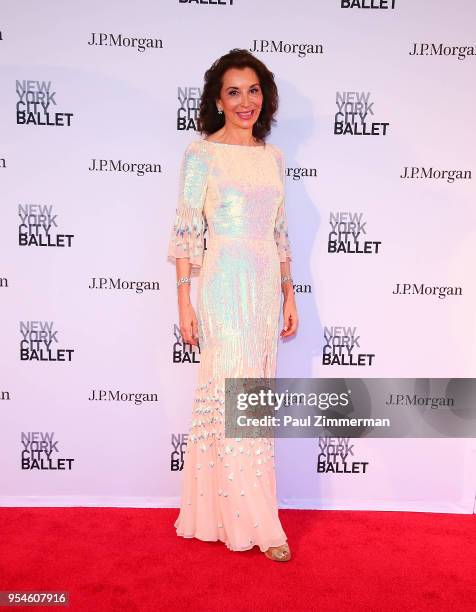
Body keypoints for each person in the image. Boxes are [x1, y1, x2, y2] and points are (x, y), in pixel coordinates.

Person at [167, 49, 298, 562]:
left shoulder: (273, 157)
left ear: (264, 96)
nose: (246, 101)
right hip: (222, 285)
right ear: (218, 101)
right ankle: (253, 524)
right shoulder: (201, 154)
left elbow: (281, 232)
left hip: (265, 288)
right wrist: (185, 303)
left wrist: (290, 292)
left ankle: (246, 511)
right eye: (234, 92)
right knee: (229, 397)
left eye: (254, 90)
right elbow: (185, 231)